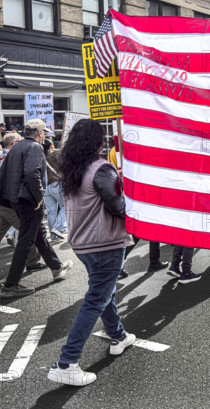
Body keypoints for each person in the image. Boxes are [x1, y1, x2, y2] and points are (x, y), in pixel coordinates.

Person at [47, 119, 136, 386]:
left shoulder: (74, 169)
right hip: (105, 243)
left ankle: (118, 336)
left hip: (83, 243)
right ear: (98, 142)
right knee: (97, 297)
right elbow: (118, 206)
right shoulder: (101, 169)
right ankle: (67, 362)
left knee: (102, 290)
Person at [0, 119, 72, 297]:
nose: (45, 135)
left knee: (38, 234)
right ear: (40, 133)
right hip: (29, 199)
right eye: (44, 133)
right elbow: (33, 173)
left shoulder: (16, 147)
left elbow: (3, 173)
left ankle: (56, 267)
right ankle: (11, 284)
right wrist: (39, 196)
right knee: (26, 240)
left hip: (16, 198)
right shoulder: (35, 147)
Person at [43, 139, 68, 242]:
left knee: (51, 212)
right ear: (51, 146)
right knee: (65, 206)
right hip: (57, 184)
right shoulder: (56, 155)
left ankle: (53, 237)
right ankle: (58, 228)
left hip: (45, 187)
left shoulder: (39, 157)